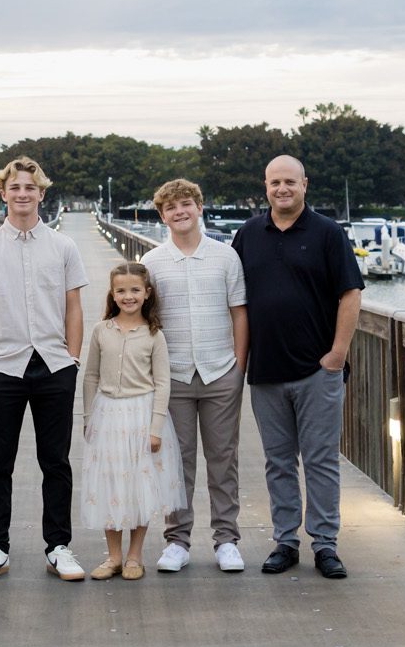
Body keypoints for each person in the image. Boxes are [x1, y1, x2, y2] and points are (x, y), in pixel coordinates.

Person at [230, 155, 364, 579]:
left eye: (290, 181)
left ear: (305, 184)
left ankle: (325, 543)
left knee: (322, 460)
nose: (282, 189)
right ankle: (285, 541)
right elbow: (233, 301)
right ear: (265, 186)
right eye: (274, 182)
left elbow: (350, 295)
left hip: (316, 371)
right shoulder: (248, 234)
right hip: (266, 370)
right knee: (279, 461)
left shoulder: (327, 233)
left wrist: (337, 355)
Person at [0, 156, 90, 582]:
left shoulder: (63, 247)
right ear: (3, 193)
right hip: (4, 366)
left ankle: (58, 547)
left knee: (56, 461)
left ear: (41, 193)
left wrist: (72, 358)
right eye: (15, 187)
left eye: (30, 188)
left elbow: (74, 305)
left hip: (55, 364)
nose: (22, 194)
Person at [143, 178, 250, 575]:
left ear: (199, 207)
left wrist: (239, 365)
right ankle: (177, 541)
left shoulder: (226, 257)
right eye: (171, 208)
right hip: (173, 376)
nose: (180, 212)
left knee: (223, 458)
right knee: (177, 462)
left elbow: (240, 311)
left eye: (186, 204)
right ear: (163, 215)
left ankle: (227, 540)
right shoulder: (153, 263)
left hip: (221, 370)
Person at [79, 262, 187, 580]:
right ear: (112, 294)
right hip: (108, 414)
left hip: (142, 415)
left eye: (135, 290)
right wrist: (88, 418)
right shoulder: (102, 330)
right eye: (121, 290)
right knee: (111, 481)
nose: (128, 296)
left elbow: (163, 382)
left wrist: (155, 428)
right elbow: (91, 377)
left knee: (139, 486)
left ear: (147, 293)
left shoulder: (154, 335)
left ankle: (135, 556)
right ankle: (113, 555)